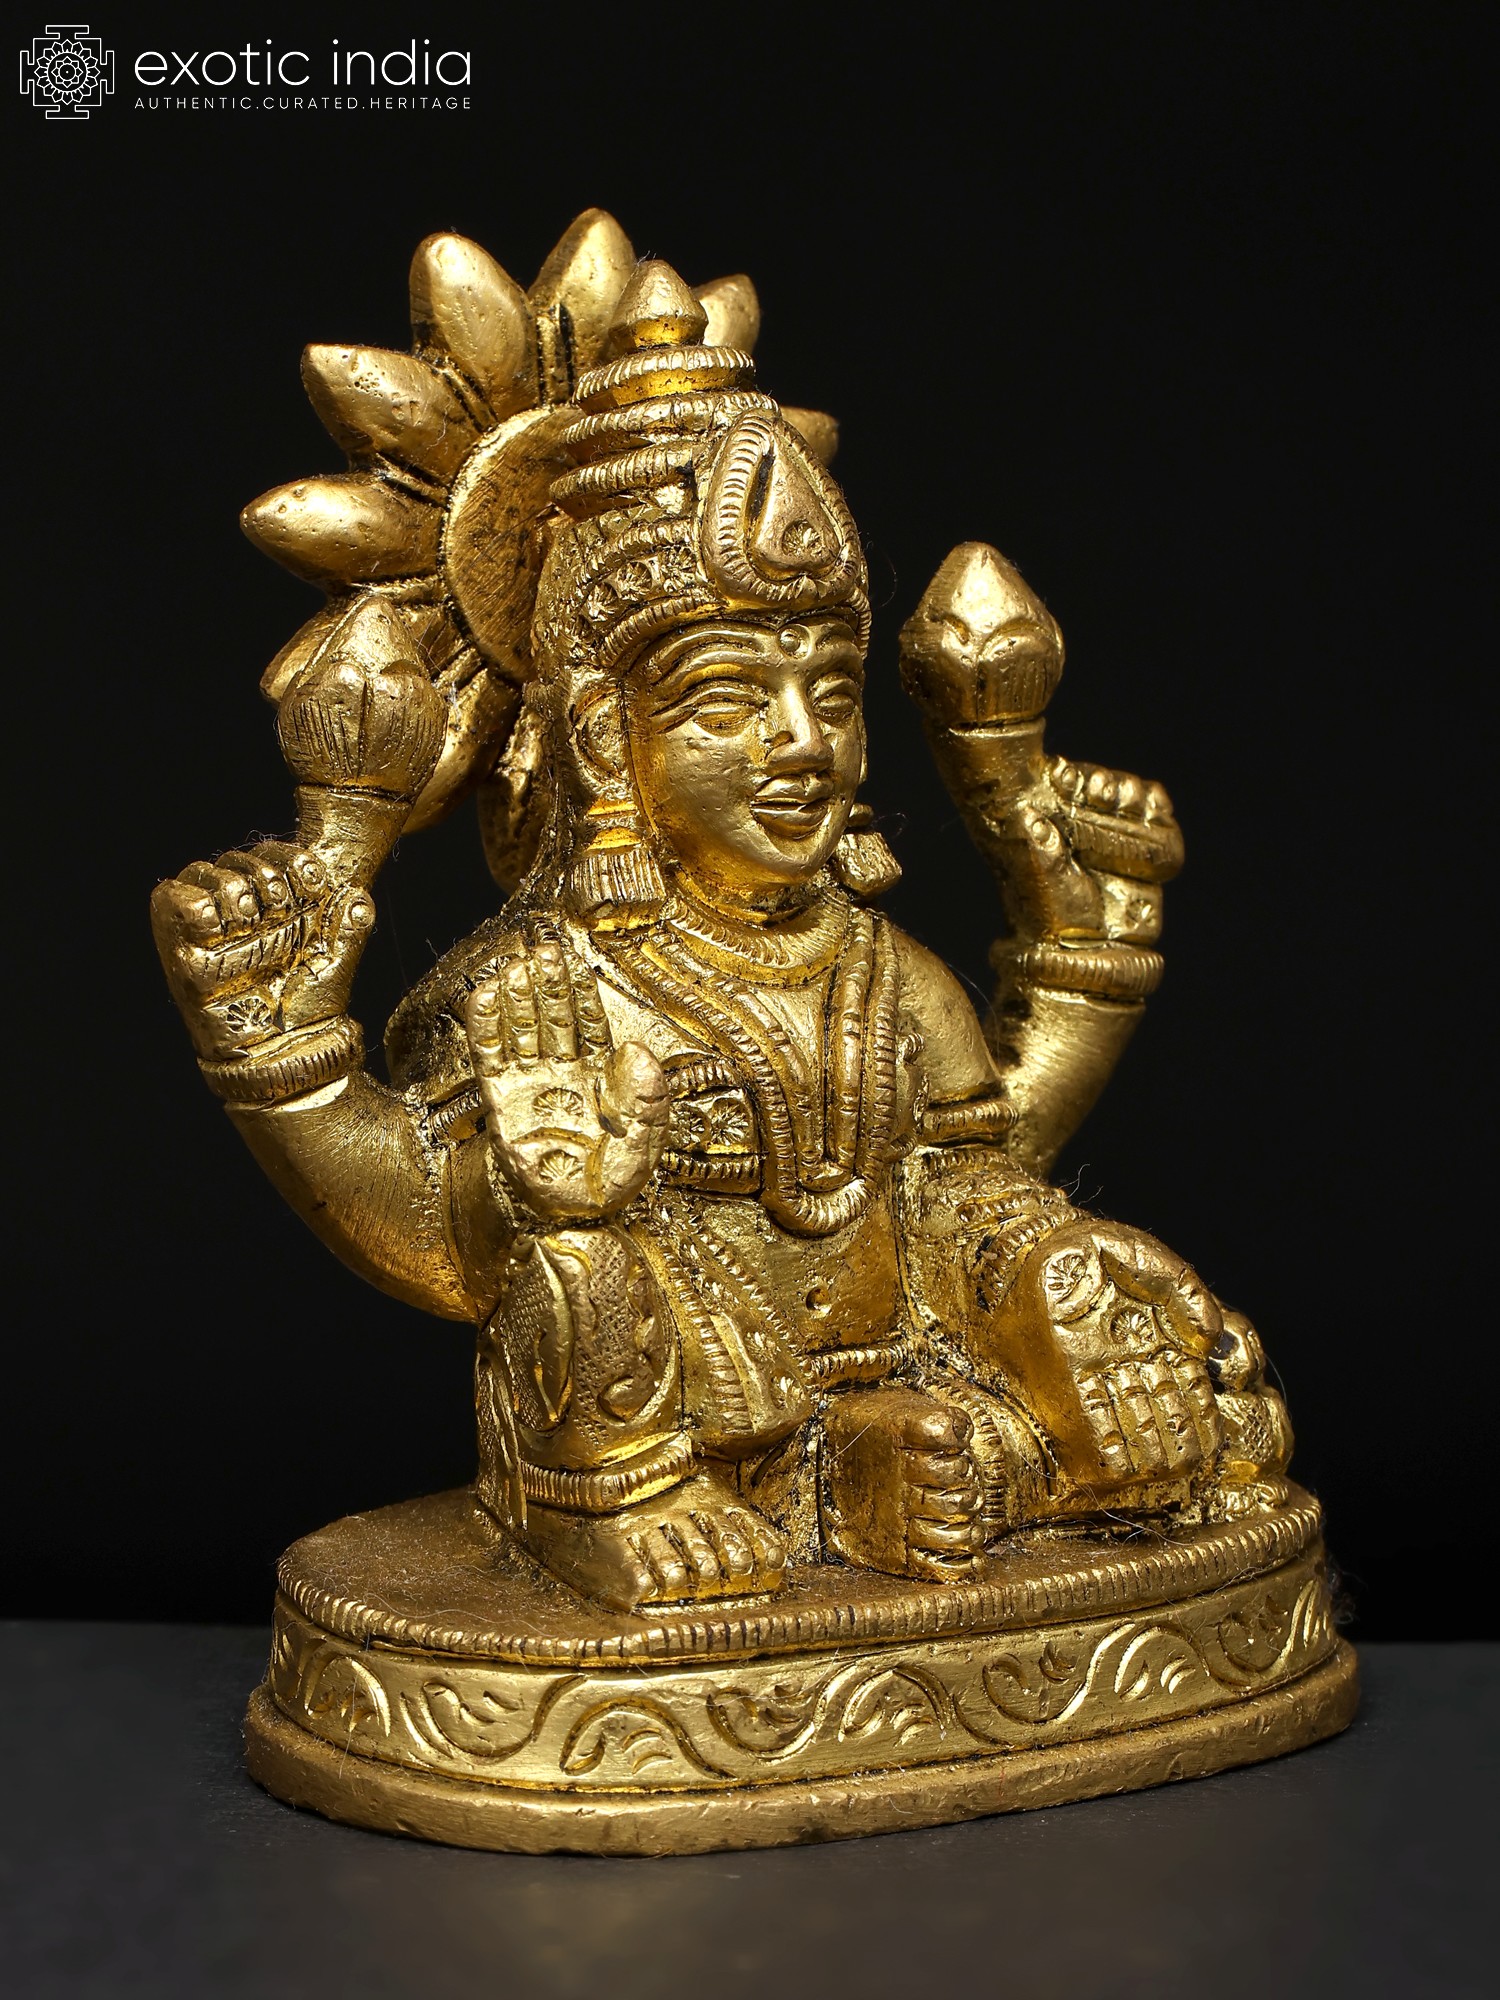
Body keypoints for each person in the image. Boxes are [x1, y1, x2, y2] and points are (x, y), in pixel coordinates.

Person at [152, 256, 1291, 1613]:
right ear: (603, 737)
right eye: (729, 700)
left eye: (832, 694)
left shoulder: (882, 972)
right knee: (579, 1260)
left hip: (891, 1384)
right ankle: (638, 1507)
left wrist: (1056, 1234)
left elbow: (969, 1182)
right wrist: (286, 1063)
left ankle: (908, 1478)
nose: (802, 744)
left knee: (1121, 1319)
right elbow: (446, 1243)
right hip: (655, 1434)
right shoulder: (538, 984)